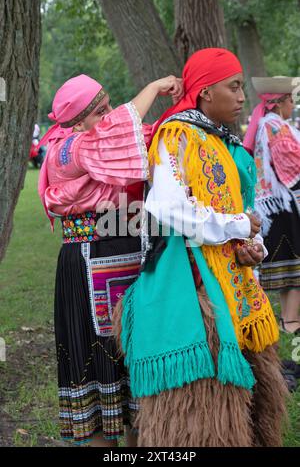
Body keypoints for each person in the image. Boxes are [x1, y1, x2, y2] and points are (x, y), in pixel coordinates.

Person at [114, 48, 288, 447]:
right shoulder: (177, 135)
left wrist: (251, 243)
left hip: (234, 281)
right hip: (192, 282)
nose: (242, 96)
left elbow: (242, 208)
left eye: (242, 87)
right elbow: (169, 208)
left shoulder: (224, 143)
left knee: (252, 401)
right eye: (234, 86)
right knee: (205, 405)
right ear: (206, 91)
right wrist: (236, 227)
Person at [38, 73, 183, 447]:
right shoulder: (66, 149)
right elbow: (117, 132)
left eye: (107, 107)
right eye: (99, 111)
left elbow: (140, 137)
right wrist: (153, 88)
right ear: (74, 122)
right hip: (89, 261)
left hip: (125, 256)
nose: (108, 116)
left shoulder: (92, 142)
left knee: (130, 363)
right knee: (97, 360)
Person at [244, 77, 300, 334]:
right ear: (280, 103)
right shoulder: (275, 127)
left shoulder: (265, 124)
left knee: (288, 269)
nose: (293, 105)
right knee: (294, 269)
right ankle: (290, 323)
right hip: (280, 207)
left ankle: (287, 321)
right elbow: (291, 165)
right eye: (291, 100)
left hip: (271, 205)